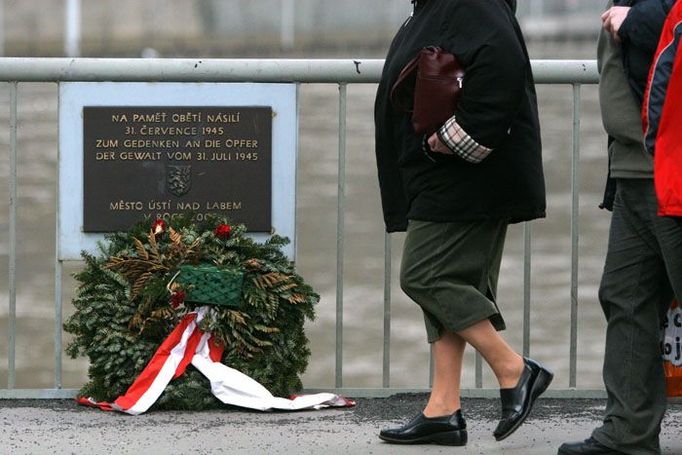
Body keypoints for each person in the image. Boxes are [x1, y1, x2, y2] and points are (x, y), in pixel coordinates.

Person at [373, 0, 552, 446]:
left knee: (425, 275)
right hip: (445, 172)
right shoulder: (438, 6)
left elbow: (502, 70)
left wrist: (457, 137)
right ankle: (443, 408)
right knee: (453, 285)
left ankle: (514, 369)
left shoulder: (471, 3)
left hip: (466, 175)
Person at [558, 1, 679, 454]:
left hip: (673, 167)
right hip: (635, 167)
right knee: (626, 295)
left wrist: (638, 21)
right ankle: (628, 434)